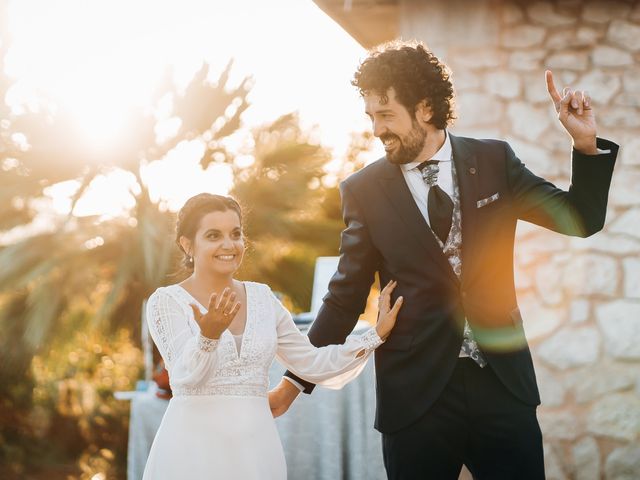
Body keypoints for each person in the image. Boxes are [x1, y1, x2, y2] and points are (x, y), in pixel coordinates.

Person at [269, 40, 619, 479]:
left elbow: (578, 219)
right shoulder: (363, 190)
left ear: (425, 109)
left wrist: (585, 145)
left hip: (502, 386)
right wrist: (293, 382)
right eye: (371, 116)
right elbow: (345, 296)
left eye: (386, 114)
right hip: (415, 397)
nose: (376, 129)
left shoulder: (494, 160)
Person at [142, 193, 403, 480]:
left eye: (236, 234)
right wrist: (208, 337)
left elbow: (312, 363)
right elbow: (183, 378)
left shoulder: (262, 297)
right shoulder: (166, 301)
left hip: (257, 452)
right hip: (193, 451)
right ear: (187, 244)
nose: (229, 245)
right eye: (213, 235)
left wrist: (374, 335)